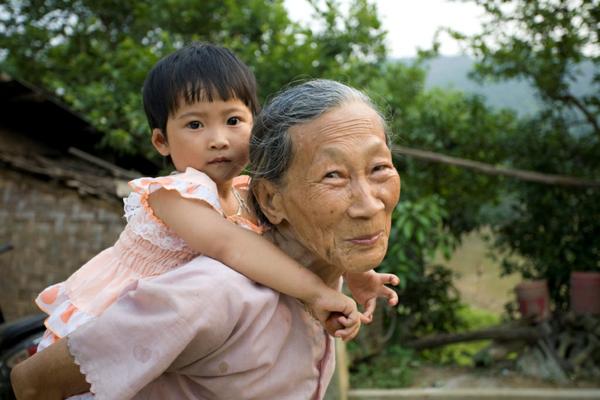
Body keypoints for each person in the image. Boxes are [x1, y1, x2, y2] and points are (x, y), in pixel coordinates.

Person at [11, 79, 402, 399]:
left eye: (379, 167)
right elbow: (29, 385)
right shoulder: (210, 290)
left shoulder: (313, 256)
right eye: (333, 175)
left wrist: (356, 274)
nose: (368, 204)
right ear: (271, 199)